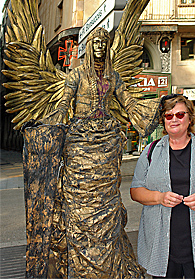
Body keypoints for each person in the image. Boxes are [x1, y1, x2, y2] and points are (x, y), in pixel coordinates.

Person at [23, 27, 161, 279]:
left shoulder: (113, 76)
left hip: (106, 142)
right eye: (95, 42)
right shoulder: (75, 76)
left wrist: (141, 114)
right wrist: (52, 122)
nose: (99, 46)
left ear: (107, 46)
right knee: (78, 199)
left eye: (103, 42)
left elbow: (127, 100)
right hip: (81, 142)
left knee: (106, 198)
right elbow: (65, 103)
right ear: (89, 46)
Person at [130, 94, 195, 279]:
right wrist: (159, 198)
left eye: (180, 114)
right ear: (163, 121)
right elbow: (136, 190)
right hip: (163, 249)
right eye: (169, 115)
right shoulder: (150, 152)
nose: (174, 119)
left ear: (190, 118)